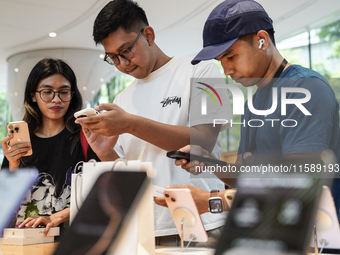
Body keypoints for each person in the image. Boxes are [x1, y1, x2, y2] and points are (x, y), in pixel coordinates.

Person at [75, 0, 232, 246]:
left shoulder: (202, 72)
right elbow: (131, 177)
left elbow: (204, 140)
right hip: (146, 228)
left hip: (203, 222)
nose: (122, 64)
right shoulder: (122, 99)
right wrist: (106, 154)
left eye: (126, 51)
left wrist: (130, 124)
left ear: (148, 34)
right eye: (113, 58)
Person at [174, 0, 340, 216]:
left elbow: (297, 185)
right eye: (220, 61)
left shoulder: (304, 89)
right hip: (272, 234)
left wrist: (211, 201)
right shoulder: (253, 104)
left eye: (231, 56)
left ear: (262, 40)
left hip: (317, 241)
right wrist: (208, 160)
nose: (226, 70)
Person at [1, 58, 100, 236]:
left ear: (72, 94)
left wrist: (57, 217)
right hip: (25, 242)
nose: (56, 100)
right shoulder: (21, 141)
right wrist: (13, 166)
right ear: (33, 95)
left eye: (64, 92)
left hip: (73, 242)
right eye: (47, 92)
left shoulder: (87, 136)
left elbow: (101, 193)